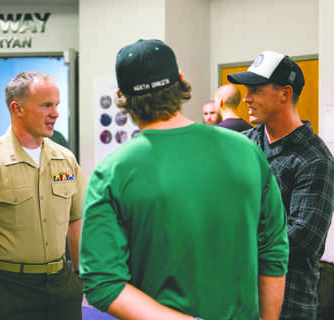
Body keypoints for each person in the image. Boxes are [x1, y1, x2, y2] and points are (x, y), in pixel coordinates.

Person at [79, 39, 290, 320]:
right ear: (180, 81)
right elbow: (273, 252)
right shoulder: (247, 151)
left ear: (121, 96)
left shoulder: (112, 173)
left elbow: (103, 283)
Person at [0, 71, 85, 320]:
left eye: (56, 105)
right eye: (46, 105)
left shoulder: (66, 160)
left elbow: (76, 221)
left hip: (63, 288)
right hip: (9, 291)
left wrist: (78, 279)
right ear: (17, 108)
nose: (55, 113)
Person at [228, 50, 334, 320]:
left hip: (290, 305)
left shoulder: (315, 158)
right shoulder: (242, 144)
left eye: (256, 90)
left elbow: (301, 240)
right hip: (236, 299)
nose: (247, 99)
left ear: (285, 93)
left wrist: (232, 238)